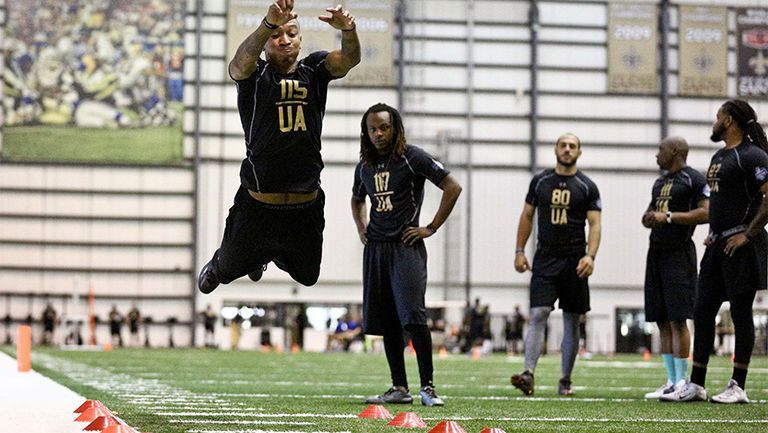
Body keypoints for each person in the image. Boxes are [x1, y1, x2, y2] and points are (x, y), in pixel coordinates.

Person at [197, 0, 361, 293]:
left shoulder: (314, 69)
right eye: (277, 35)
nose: (284, 40)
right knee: (223, 273)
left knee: (307, 277)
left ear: (300, 40)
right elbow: (238, 63)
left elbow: (348, 60)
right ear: (266, 44)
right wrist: (267, 24)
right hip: (258, 206)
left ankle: (269, 254)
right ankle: (228, 261)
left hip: (305, 205)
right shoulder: (255, 75)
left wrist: (349, 30)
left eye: (292, 34)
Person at [351, 103, 462, 407]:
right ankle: (399, 387)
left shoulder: (413, 158)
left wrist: (431, 227)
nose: (378, 134)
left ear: (395, 128)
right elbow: (356, 199)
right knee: (386, 322)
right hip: (376, 249)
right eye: (372, 128)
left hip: (405, 246)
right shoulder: (365, 166)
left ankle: (428, 387)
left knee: (413, 318)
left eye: (384, 127)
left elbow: (452, 186)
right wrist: (361, 227)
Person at [662, 100, 768, 404]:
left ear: (729, 120)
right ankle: (696, 384)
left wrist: (748, 235)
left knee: (740, 312)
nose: (715, 121)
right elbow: (720, 205)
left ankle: (738, 385)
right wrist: (712, 233)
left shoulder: (752, 156)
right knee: (703, 311)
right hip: (718, 244)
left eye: (719, 116)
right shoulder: (720, 156)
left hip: (741, 246)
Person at [510, 133, 602, 396]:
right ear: (555, 150)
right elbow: (527, 216)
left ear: (579, 152)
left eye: (572, 146)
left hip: (575, 260)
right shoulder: (540, 181)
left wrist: (590, 256)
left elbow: (595, 224)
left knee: (572, 320)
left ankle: (565, 380)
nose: (567, 149)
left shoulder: (587, 186)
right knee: (538, 314)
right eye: (563, 145)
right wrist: (519, 251)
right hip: (545, 258)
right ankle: (528, 373)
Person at [640, 136, 709, 399]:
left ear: (675, 151)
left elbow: (706, 213)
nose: (657, 154)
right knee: (661, 319)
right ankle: (670, 380)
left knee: (679, 318)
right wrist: (649, 218)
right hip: (655, 253)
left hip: (679, 253)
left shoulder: (693, 179)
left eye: (661, 149)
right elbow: (651, 213)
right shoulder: (659, 183)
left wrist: (668, 217)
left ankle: (683, 381)